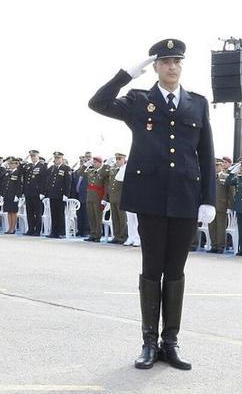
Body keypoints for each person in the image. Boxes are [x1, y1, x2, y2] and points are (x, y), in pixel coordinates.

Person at [89, 38, 216, 371]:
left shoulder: (197, 103)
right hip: (151, 198)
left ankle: (170, 343)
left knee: (175, 272)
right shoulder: (137, 99)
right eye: (165, 62)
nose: (172, 66)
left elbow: (205, 154)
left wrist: (209, 200)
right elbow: (97, 102)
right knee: (151, 270)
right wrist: (125, 74)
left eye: (177, 61)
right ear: (155, 67)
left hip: (186, 200)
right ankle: (148, 342)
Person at [78, 156, 110, 242]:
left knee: (97, 217)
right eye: (93, 162)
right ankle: (92, 234)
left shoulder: (103, 172)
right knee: (91, 216)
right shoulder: (91, 171)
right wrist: (86, 164)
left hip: (98, 197)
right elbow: (79, 172)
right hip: (89, 197)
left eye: (96, 162)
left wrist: (104, 198)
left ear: (100, 163)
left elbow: (106, 186)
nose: (94, 164)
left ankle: (98, 235)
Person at [43, 152, 72, 238]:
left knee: (60, 214)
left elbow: (68, 182)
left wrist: (66, 194)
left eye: (58, 158)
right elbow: (44, 173)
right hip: (53, 194)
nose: (56, 159)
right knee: (53, 214)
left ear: (62, 159)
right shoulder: (52, 168)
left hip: (61, 194)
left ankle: (61, 232)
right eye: (55, 158)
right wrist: (45, 163)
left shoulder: (66, 168)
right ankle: (54, 232)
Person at [207, 158, 231, 253]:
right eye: (214, 165)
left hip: (222, 205)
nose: (216, 167)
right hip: (211, 205)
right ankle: (214, 245)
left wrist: (229, 206)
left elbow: (230, 193)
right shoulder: (210, 177)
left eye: (217, 165)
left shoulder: (226, 177)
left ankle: (220, 246)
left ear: (221, 166)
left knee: (221, 227)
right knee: (212, 227)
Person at [22, 149, 47, 236]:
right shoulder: (29, 166)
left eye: (34, 156)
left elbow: (44, 180)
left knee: (38, 213)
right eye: (31, 156)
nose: (33, 158)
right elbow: (22, 174)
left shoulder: (42, 166)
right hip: (28, 192)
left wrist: (42, 192)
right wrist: (23, 162)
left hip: (37, 193)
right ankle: (31, 229)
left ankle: (37, 230)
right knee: (30, 213)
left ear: (38, 156)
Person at [106, 153, 128, 244]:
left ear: (124, 159)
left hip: (121, 198)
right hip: (113, 198)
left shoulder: (125, 170)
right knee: (114, 218)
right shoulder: (113, 170)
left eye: (120, 159)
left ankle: (123, 236)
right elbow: (104, 172)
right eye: (117, 159)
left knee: (122, 218)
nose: (118, 161)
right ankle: (117, 235)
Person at [1, 157, 24, 234]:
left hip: (13, 195)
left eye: (12, 163)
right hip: (7, 195)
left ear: (16, 164)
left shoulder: (18, 173)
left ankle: (13, 228)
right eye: (10, 163)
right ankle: (9, 228)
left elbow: (19, 185)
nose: (10, 165)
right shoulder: (8, 172)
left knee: (13, 212)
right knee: (8, 211)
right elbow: (4, 184)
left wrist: (17, 195)